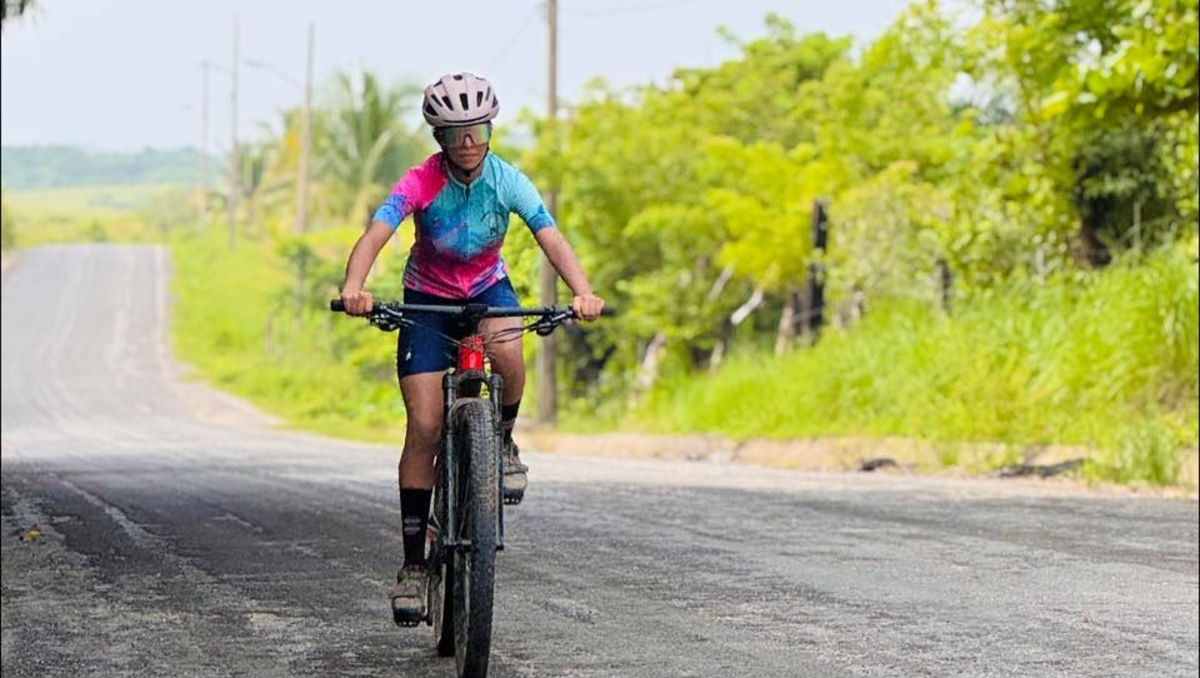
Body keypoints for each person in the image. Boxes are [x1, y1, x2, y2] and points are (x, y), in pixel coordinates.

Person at [338, 72, 605, 625]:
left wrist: (582, 293)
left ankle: (502, 442)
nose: (467, 142)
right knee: (426, 424)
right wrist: (354, 288)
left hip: (488, 290)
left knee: (508, 353)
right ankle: (414, 565)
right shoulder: (419, 181)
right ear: (438, 137)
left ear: (490, 128)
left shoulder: (508, 179)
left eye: (477, 129)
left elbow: (549, 235)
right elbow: (377, 232)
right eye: (455, 132)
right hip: (427, 301)